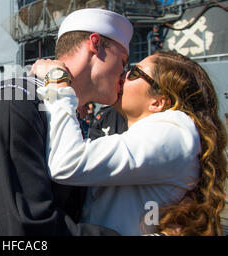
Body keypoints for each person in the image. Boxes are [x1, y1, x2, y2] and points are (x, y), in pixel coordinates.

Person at [0, 8, 131, 236]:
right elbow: (27, 227)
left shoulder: (64, 110)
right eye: (123, 61)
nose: (125, 73)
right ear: (95, 44)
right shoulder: (15, 100)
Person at [31, 50, 227, 235]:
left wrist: (58, 80)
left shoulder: (174, 129)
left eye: (134, 73)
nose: (122, 75)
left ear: (158, 102)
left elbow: (68, 162)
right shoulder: (144, 132)